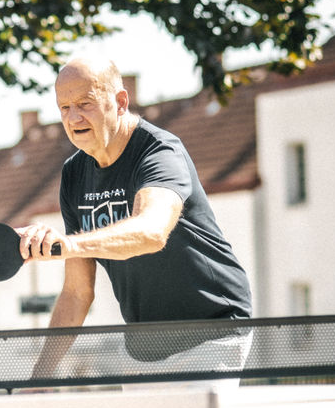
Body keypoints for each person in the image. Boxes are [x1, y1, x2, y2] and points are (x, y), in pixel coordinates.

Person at [20, 55, 252, 382]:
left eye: (85, 103)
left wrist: (67, 245)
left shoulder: (159, 151)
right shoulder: (74, 174)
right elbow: (76, 292)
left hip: (212, 329)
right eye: (64, 108)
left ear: (120, 102)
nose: (73, 117)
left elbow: (151, 232)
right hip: (142, 343)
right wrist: (39, 377)